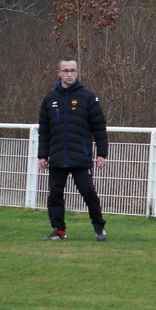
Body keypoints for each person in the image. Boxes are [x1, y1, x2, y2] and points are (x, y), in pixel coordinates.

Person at [37, 57, 109, 241]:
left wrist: (102, 153)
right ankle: (59, 231)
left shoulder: (88, 97)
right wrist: (42, 155)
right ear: (59, 73)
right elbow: (44, 130)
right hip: (57, 156)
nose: (70, 74)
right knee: (55, 195)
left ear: (77, 72)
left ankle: (99, 227)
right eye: (66, 70)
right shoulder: (49, 99)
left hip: (80, 156)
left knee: (88, 193)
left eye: (73, 70)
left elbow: (99, 127)